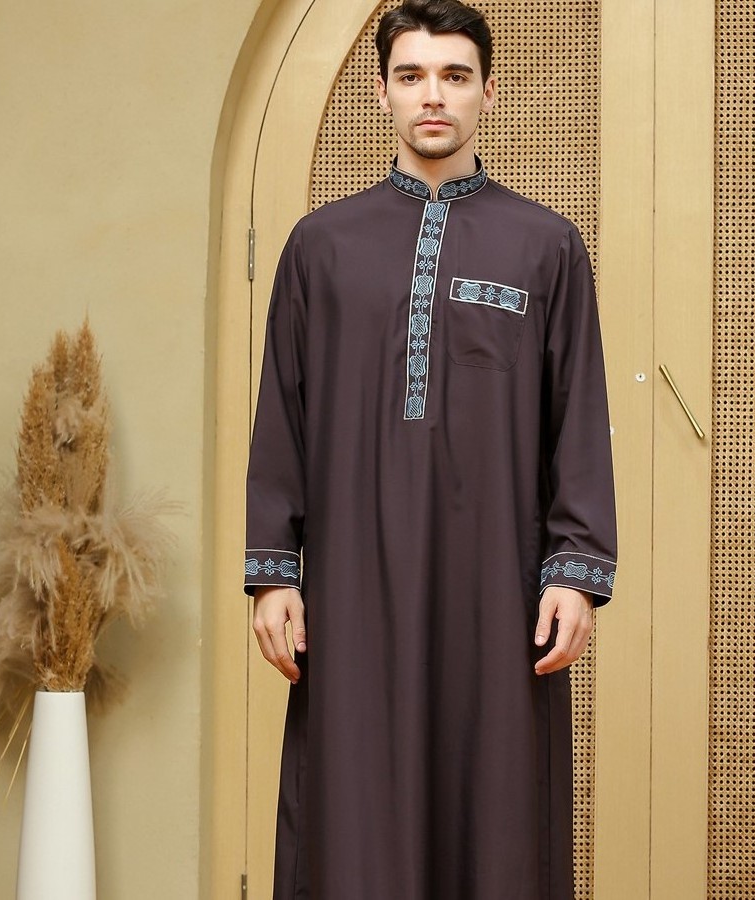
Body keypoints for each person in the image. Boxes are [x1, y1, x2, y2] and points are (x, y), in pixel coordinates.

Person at [244, 1, 616, 896]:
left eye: (454, 75)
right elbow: (282, 415)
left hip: (497, 585)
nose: (433, 96)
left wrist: (575, 570)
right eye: (411, 76)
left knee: (497, 804)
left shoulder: (545, 247)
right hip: (352, 586)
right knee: (351, 803)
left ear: (488, 92)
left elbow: (577, 417)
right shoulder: (321, 248)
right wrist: (273, 572)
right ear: (382, 93)